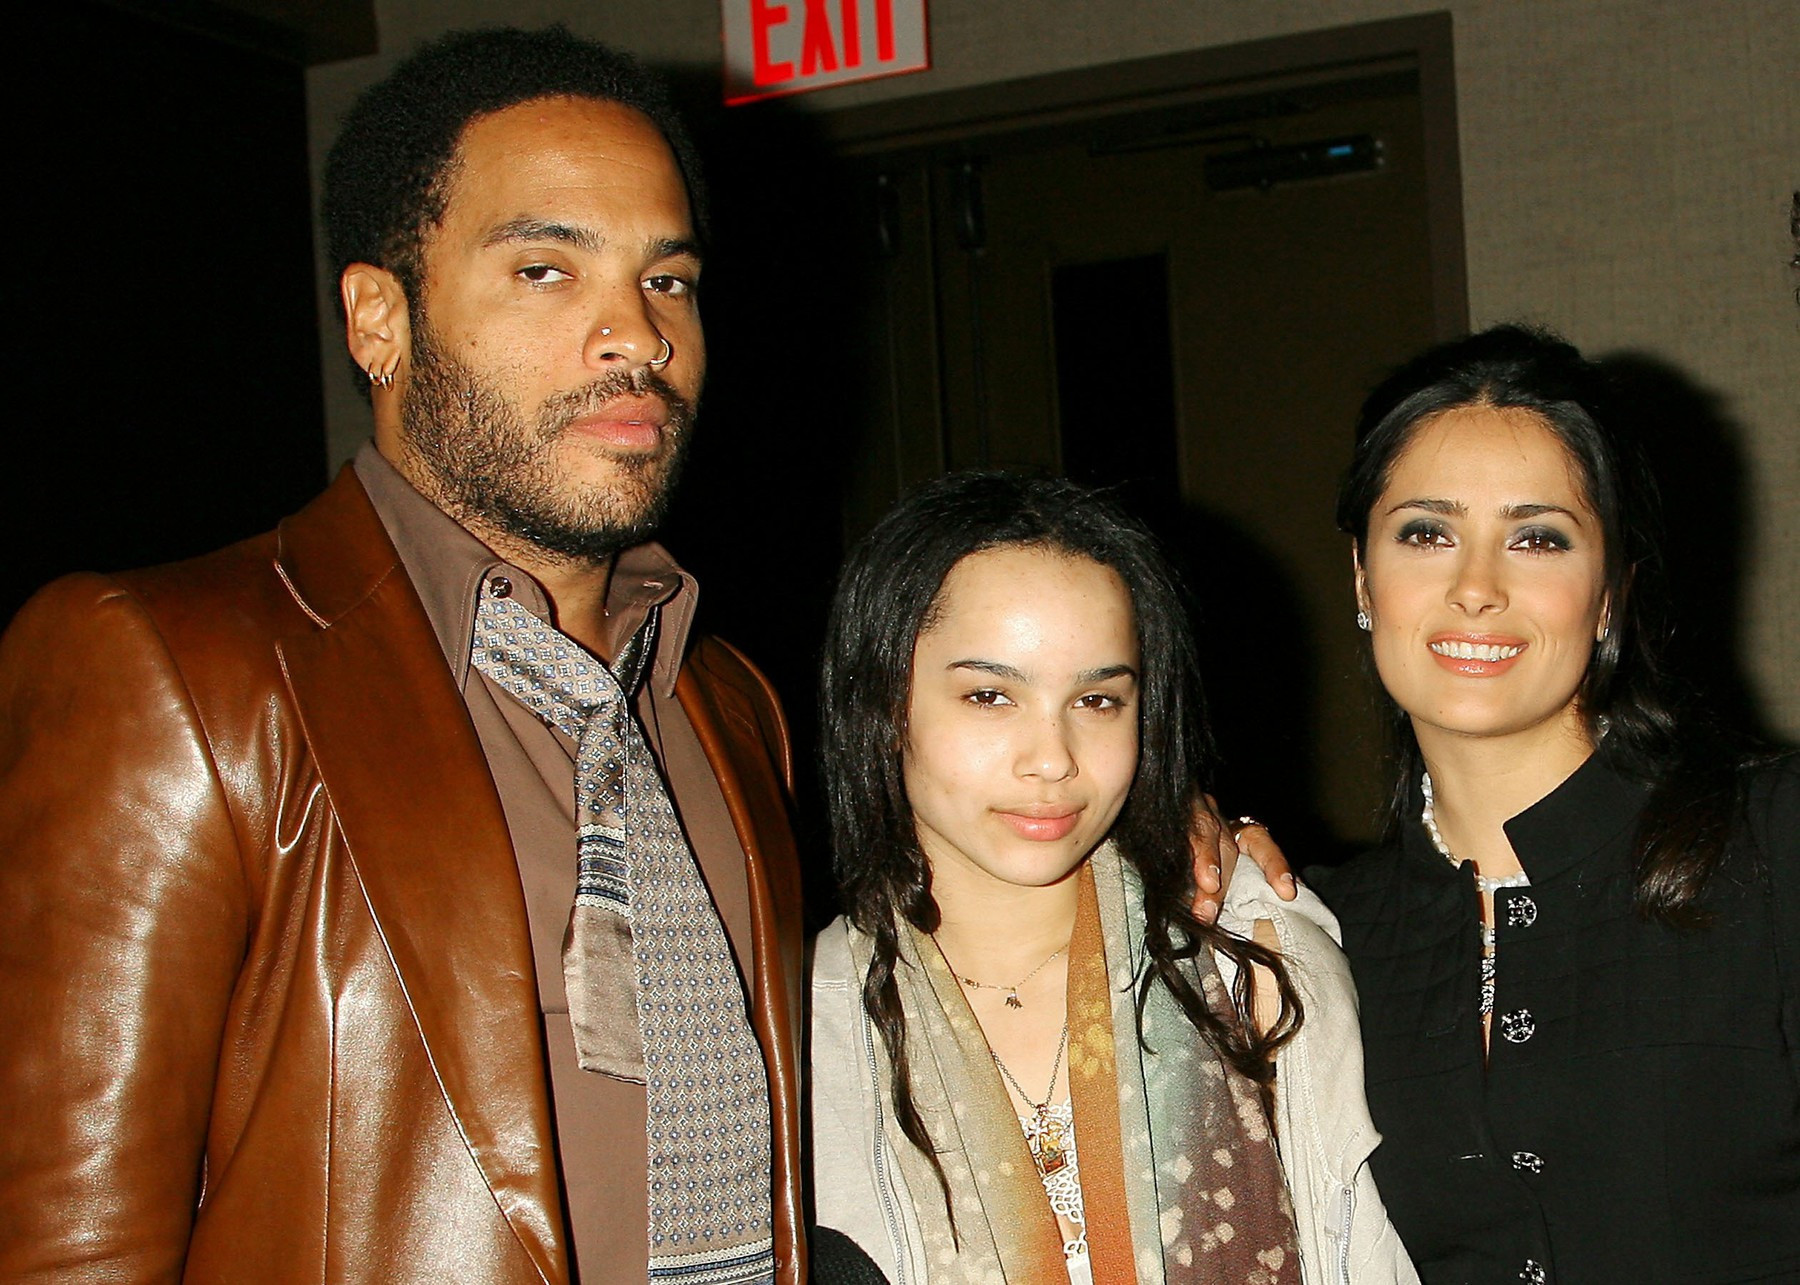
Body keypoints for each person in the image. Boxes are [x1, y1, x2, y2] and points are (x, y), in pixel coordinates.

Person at [0, 28, 806, 1285]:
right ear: (380, 320)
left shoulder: (726, 698)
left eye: (669, 280)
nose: (635, 337)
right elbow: (72, 1249)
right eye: (544, 270)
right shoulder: (179, 672)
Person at [808, 472, 1416, 1284]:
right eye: (990, 695)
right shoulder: (805, 1026)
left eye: (1097, 700)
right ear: (886, 704)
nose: (1052, 758)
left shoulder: (1258, 966)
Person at [1313, 324, 1800, 1283]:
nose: (1476, 588)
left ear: (1611, 591)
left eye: (1536, 537)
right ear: (1363, 576)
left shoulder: (1776, 843)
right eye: (1426, 532)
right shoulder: (1318, 933)